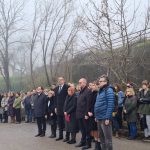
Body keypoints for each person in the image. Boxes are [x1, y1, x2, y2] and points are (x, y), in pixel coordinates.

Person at [94, 75, 115, 150]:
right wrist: (96, 116)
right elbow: (97, 104)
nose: (99, 82)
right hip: (99, 117)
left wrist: (107, 118)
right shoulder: (100, 91)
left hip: (105, 118)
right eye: (99, 81)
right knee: (102, 138)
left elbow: (110, 104)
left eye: (101, 81)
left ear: (106, 82)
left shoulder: (109, 90)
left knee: (108, 139)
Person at [76, 78, 92, 149]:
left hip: (84, 115)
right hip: (79, 114)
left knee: (87, 130)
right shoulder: (81, 91)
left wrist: (86, 114)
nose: (79, 84)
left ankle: (88, 144)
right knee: (82, 130)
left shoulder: (88, 91)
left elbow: (88, 104)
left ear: (85, 83)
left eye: (80, 82)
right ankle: (83, 142)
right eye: (79, 82)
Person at [87, 82, 101, 150]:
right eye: (92, 85)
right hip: (90, 114)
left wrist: (92, 112)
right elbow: (88, 104)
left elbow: (96, 105)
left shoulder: (98, 94)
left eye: (94, 85)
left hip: (95, 114)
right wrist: (88, 112)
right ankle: (96, 144)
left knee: (97, 130)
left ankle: (98, 145)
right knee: (93, 130)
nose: (92, 86)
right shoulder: (91, 93)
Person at [55, 77, 69, 141]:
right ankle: (60, 136)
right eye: (58, 80)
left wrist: (67, 107)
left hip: (65, 108)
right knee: (59, 123)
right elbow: (55, 99)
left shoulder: (67, 87)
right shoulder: (56, 88)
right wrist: (55, 107)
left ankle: (67, 137)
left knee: (66, 123)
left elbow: (69, 97)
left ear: (63, 80)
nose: (59, 81)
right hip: (58, 108)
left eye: (60, 80)